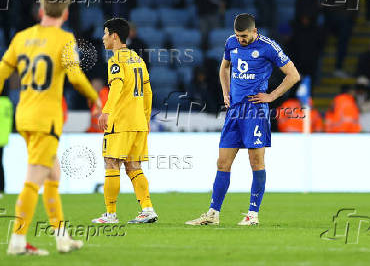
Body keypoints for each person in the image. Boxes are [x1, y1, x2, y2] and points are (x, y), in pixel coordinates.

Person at [0, 0, 101, 255]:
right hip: (46, 120)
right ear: (66, 13)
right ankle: (18, 241)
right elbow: (76, 77)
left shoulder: (22, 37)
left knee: (53, 174)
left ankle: (62, 238)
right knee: (34, 178)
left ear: (41, 11)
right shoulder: (64, 39)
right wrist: (96, 98)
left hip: (24, 116)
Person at [186, 13, 300, 226]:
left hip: (255, 112)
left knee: (256, 161)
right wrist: (226, 93)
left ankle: (252, 215)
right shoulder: (231, 42)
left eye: (245, 36)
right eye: (238, 35)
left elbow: (293, 75)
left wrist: (272, 96)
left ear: (255, 31)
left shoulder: (269, 47)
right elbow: (224, 68)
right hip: (234, 112)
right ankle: (212, 214)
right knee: (222, 162)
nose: (241, 39)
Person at [91, 18, 158, 224]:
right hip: (138, 122)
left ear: (114, 36)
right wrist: (145, 118)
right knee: (133, 166)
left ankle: (110, 214)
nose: (102, 38)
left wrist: (106, 111)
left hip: (121, 121)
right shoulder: (137, 59)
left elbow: (117, 86)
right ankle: (147, 209)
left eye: (104, 34)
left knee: (111, 163)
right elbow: (148, 91)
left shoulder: (116, 60)